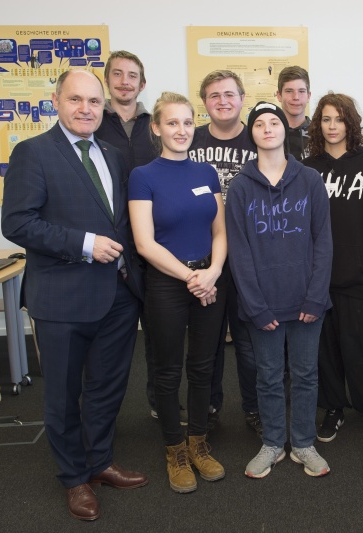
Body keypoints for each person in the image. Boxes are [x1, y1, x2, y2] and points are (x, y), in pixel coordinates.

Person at [1, 69, 147, 521]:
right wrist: (85, 244)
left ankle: (99, 461)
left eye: (93, 101)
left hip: (117, 295)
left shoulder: (111, 154)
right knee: (63, 396)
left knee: (106, 387)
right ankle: (74, 477)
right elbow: (18, 223)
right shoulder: (32, 152)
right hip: (61, 298)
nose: (86, 109)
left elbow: (119, 219)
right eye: (75, 99)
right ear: (56, 101)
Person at [226, 101, 333, 478]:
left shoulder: (310, 180)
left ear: (285, 130)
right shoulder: (240, 187)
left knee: (305, 375)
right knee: (268, 376)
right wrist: (255, 306)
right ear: (251, 133)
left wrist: (316, 297)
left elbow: (324, 242)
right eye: (260, 124)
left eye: (274, 122)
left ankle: (303, 442)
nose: (268, 128)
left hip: (306, 301)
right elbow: (238, 251)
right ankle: (272, 442)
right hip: (262, 305)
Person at [129, 92, 228, 493]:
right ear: (156, 128)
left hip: (209, 279)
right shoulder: (143, 176)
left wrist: (213, 272)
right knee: (168, 370)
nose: (182, 130)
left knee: (204, 366)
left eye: (187, 122)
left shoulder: (206, 173)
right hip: (168, 283)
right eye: (172, 123)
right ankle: (175, 449)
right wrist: (192, 277)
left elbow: (219, 231)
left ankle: (198, 443)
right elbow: (144, 243)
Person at [302, 93, 363, 446]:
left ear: (350, 123)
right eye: (326, 119)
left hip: (357, 280)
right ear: (317, 124)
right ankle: (334, 408)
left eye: (339, 119)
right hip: (318, 281)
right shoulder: (308, 168)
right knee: (325, 352)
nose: (332, 126)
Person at [94, 50, 165, 421]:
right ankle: (104, 413)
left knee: (158, 334)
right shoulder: (93, 123)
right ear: (108, 80)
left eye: (132, 75)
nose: (125, 82)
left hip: (155, 245)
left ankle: (159, 403)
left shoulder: (156, 126)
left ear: (142, 83)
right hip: (110, 245)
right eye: (118, 74)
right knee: (110, 340)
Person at [188, 70, 261, 435]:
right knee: (208, 342)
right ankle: (209, 407)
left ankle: (255, 408)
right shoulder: (190, 139)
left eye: (229, 94)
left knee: (249, 343)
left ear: (242, 99)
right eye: (214, 95)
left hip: (250, 258)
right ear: (204, 102)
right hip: (203, 257)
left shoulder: (260, 137)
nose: (222, 101)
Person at [276, 66, 311, 160]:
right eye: (289, 91)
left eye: (301, 91)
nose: (296, 97)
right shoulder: (269, 133)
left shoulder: (319, 133)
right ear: (279, 95)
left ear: (308, 96)